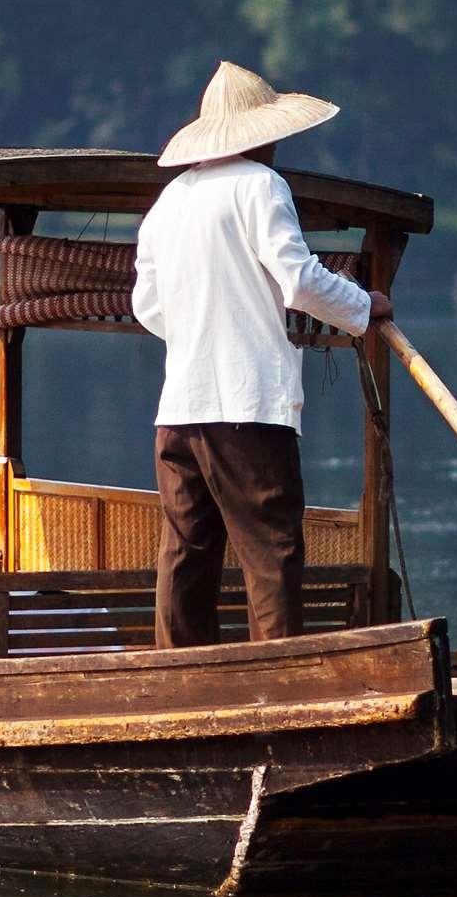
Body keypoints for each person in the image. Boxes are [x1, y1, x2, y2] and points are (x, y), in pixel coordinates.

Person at [131, 59, 393, 647]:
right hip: (246, 407)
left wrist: (204, 327)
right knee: (270, 551)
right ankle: (277, 685)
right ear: (262, 136)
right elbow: (297, 280)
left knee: (186, 555)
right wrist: (363, 305)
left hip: (179, 409)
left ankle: (181, 684)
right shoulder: (261, 185)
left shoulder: (169, 201)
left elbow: (148, 307)